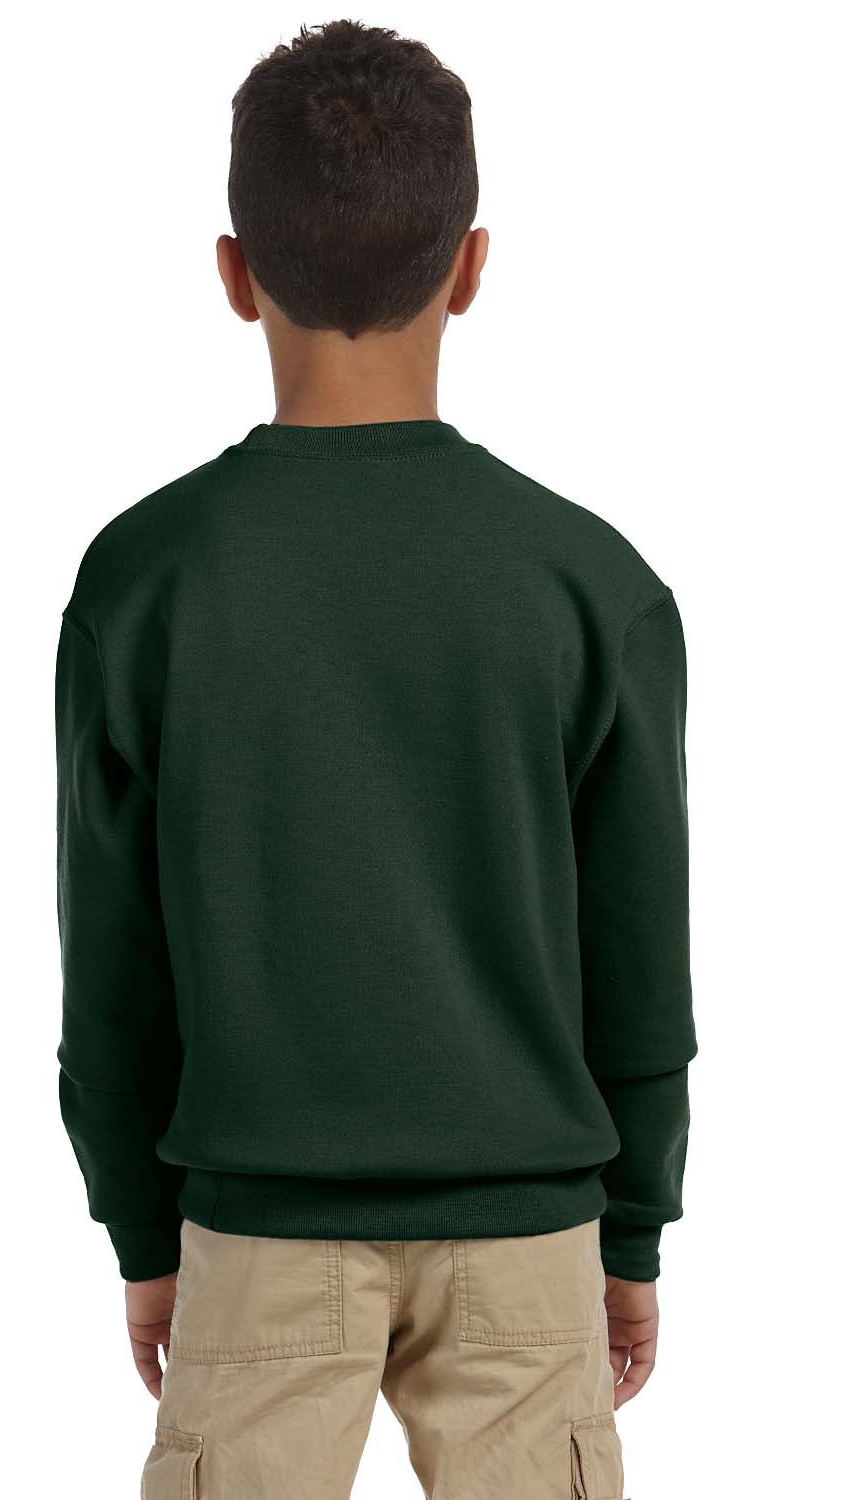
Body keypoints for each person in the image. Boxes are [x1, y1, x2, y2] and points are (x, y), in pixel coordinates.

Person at [55, 19, 696, 1499]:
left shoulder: (145, 580)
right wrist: (633, 1230)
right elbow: (639, 958)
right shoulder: (590, 584)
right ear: (471, 266)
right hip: (530, 1234)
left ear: (235, 274)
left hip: (255, 1234)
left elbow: (113, 966)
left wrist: (144, 1234)